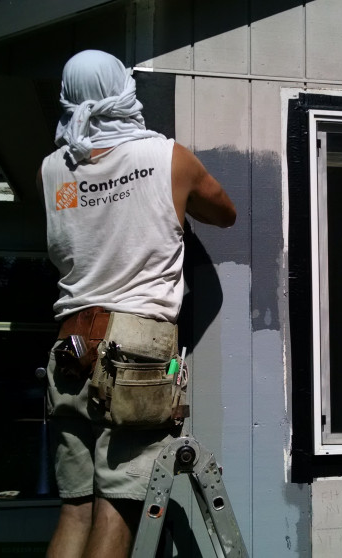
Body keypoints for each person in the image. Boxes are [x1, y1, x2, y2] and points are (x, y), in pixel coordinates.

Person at [37, 50, 236, 558]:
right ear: (123, 91)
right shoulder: (166, 157)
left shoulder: (52, 169)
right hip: (136, 349)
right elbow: (225, 213)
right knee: (119, 506)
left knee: (75, 508)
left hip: (70, 347)